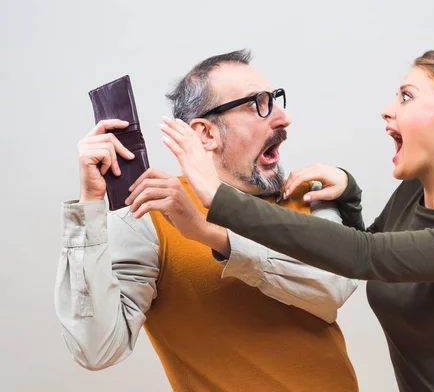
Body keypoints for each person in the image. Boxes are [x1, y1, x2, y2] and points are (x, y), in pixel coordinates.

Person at [161, 28, 434, 392]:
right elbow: (366, 248)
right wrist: (349, 193)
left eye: (406, 96)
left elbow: (366, 256)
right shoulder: (413, 193)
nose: (388, 110)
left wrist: (218, 199)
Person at [55, 49, 359, 392]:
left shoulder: (308, 192)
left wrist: (213, 235)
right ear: (206, 134)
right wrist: (89, 206)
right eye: (258, 104)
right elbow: (96, 349)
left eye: (276, 100)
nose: (283, 117)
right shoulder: (152, 216)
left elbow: (335, 287)